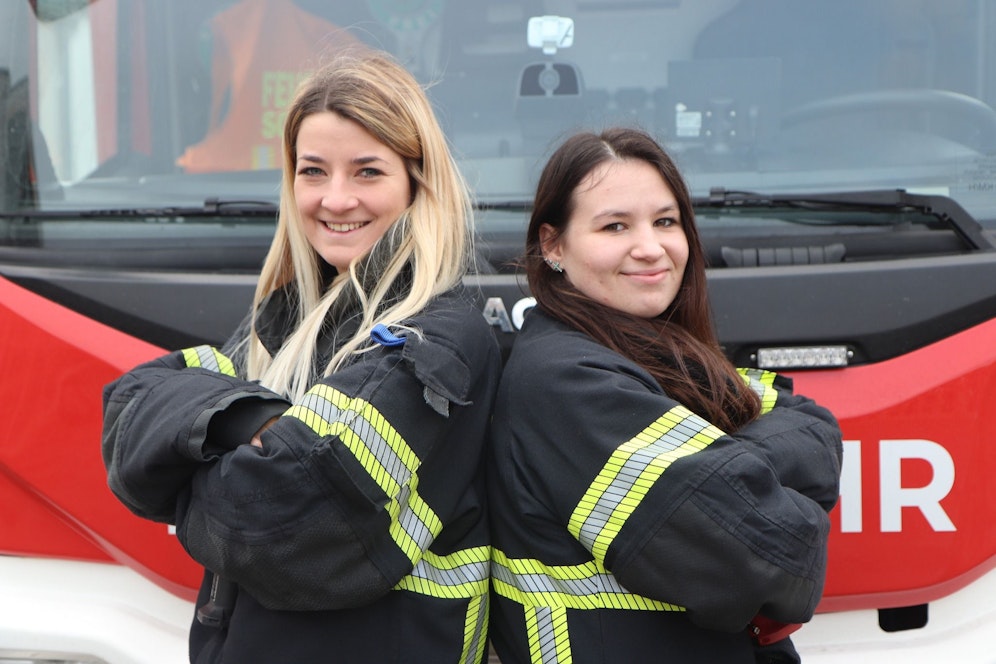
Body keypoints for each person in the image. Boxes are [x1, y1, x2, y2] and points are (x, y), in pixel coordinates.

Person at [102, 51, 501, 663]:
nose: (335, 200)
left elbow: (266, 526)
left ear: (419, 182)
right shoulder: (288, 318)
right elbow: (126, 409)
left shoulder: (439, 336)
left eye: (367, 172)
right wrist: (250, 426)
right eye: (313, 171)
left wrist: (190, 460)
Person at [487, 127, 843, 664]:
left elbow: (814, 425)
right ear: (553, 245)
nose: (651, 248)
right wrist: (736, 470)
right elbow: (770, 558)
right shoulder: (564, 380)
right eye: (614, 226)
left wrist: (729, 469)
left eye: (665, 222)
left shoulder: (655, 349)